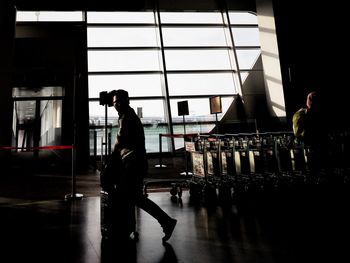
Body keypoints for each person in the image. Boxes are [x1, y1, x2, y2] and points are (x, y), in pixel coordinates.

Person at [111, 89, 177, 243]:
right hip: (135, 163)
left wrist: (112, 157)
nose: (116, 105)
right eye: (114, 103)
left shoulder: (127, 117)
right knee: (132, 196)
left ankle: (165, 221)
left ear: (125, 101)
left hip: (133, 164)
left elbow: (119, 142)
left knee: (134, 197)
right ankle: (133, 227)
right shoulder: (127, 116)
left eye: (117, 102)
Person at [292, 91, 325, 181]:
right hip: (308, 148)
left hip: (315, 147)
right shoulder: (301, 114)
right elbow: (298, 134)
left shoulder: (311, 114)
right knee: (312, 171)